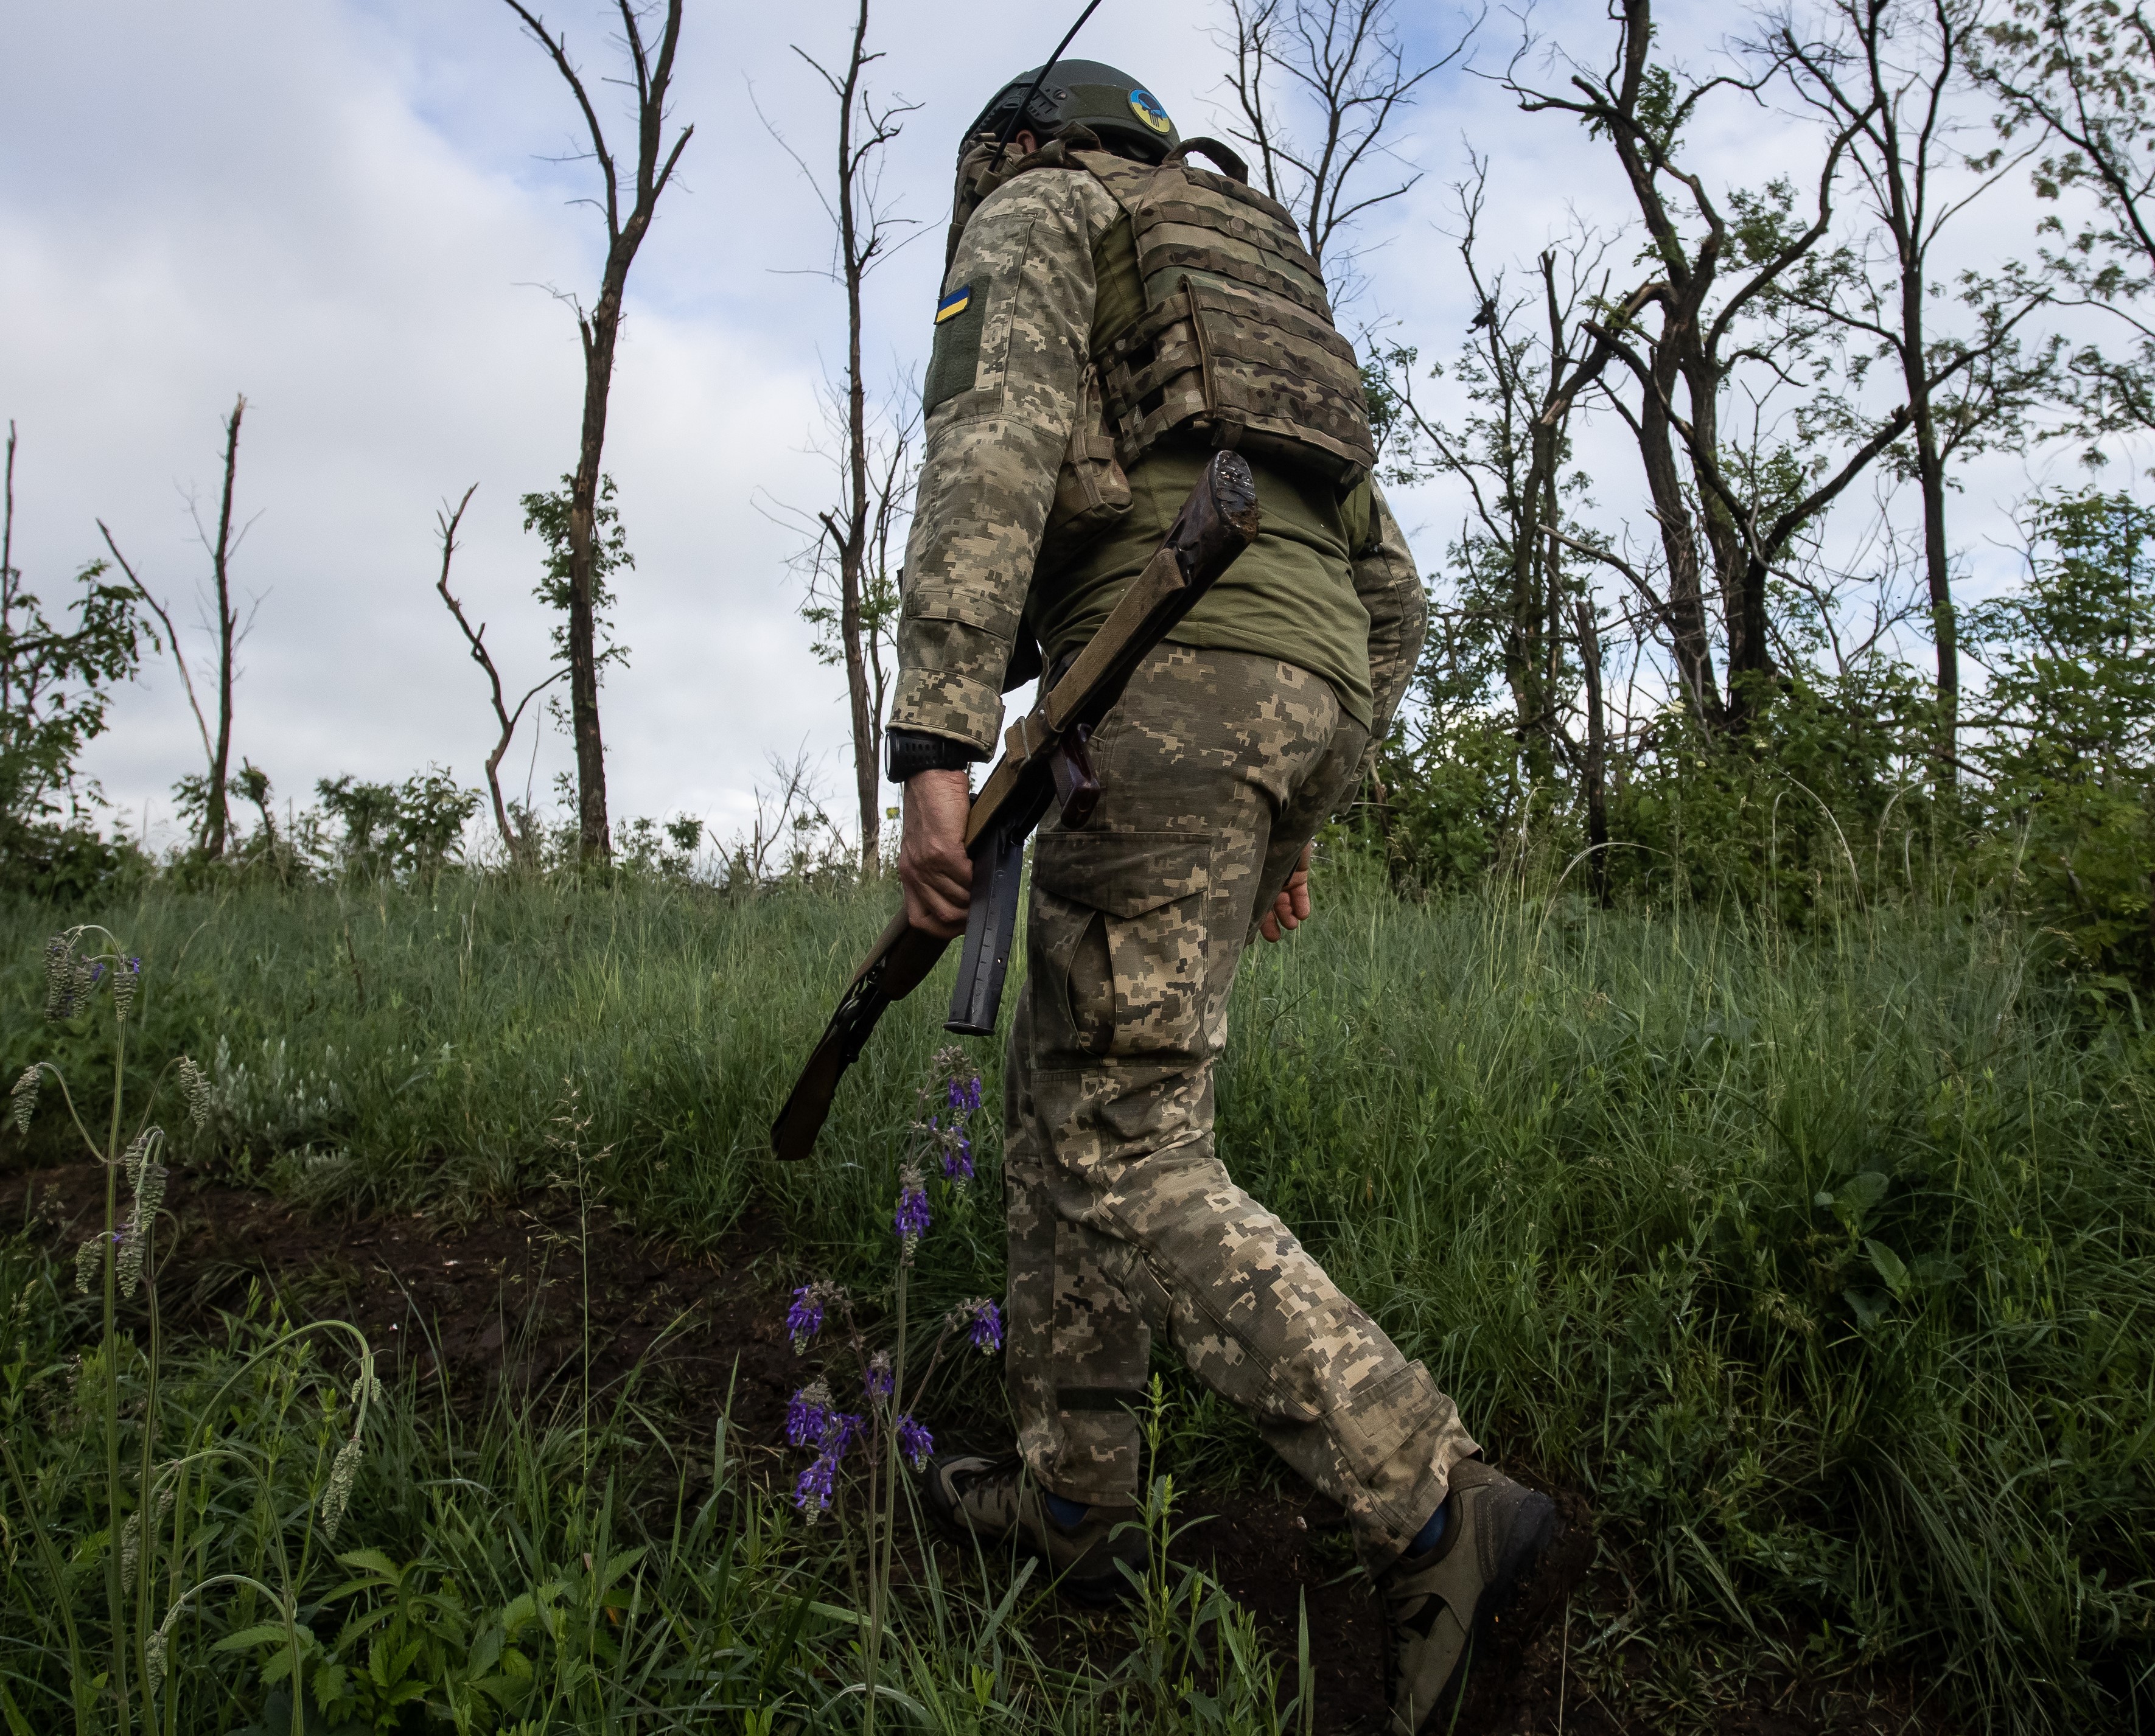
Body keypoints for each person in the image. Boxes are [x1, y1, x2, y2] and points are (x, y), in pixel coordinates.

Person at [882, 58, 1566, 1732]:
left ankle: (1433, 1496)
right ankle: (1071, 1496)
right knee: (1073, 1092)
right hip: (1294, 687)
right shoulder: (1251, 264)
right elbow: (1387, 583)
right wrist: (1307, 805)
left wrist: (934, 744)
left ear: (1016, 153)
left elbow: (992, 454)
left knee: (1129, 1141)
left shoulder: (1047, 212)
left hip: (1156, 674)